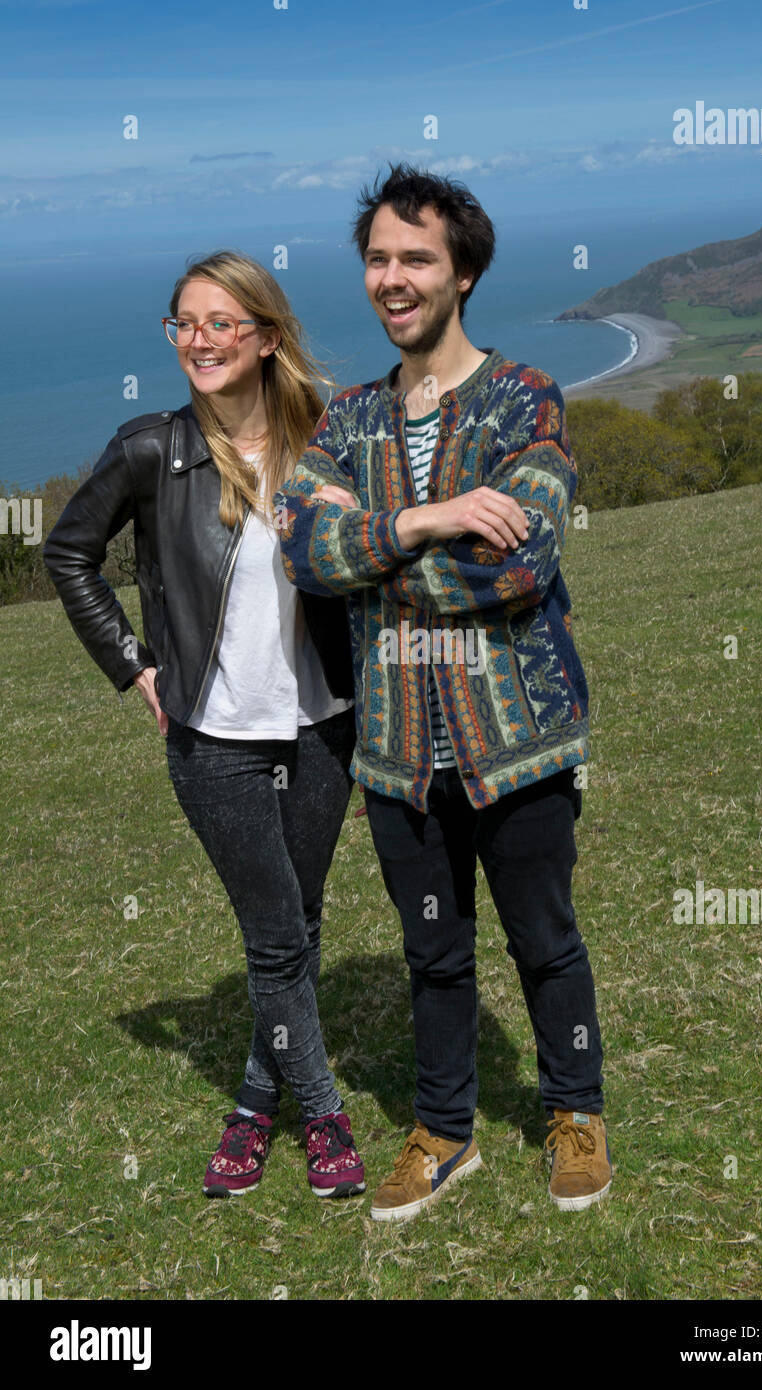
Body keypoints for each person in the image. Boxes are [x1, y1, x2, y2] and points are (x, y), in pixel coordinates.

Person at [274, 164, 611, 1223]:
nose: (392, 277)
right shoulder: (344, 417)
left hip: (517, 741)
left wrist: (365, 551)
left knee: (543, 938)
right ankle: (444, 1129)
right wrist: (424, 520)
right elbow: (302, 550)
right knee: (434, 952)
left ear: (461, 271)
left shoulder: (527, 397)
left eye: (414, 257)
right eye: (377, 258)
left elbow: (517, 559)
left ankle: (575, 1110)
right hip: (396, 755)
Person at [43, 251, 365, 1201]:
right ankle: (324, 1116)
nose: (202, 341)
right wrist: (132, 665)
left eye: (224, 323)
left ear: (267, 336)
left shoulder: (327, 439)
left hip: (322, 726)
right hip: (212, 736)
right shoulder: (152, 449)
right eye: (185, 323)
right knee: (273, 937)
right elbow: (70, 554)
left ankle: (252, 1105)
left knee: (297, 927)